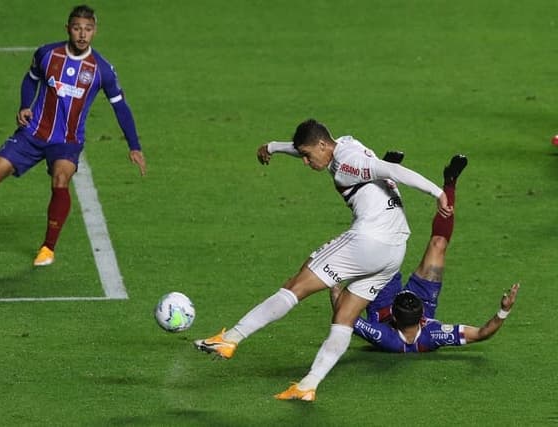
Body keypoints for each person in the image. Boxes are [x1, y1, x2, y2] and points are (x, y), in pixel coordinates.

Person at [193, 119, 451, 402]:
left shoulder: (346, 164)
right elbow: (304, 146)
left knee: (296, 285)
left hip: (368, 241)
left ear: (323, 145)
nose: (305, 162)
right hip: (393, 251)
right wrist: (273, 147)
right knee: (344, 317)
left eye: (307, 155)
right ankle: (308, 385)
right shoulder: (344, 144)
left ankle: (231, 338)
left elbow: (391, 170)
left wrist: (437, 193)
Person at [0, 5, 146, 266]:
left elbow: (120, 105)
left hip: (67, 141)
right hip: (32, 133)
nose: (82, 35)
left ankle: (47, 248)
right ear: (68, 29)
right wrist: (24, 105)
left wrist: (134, 145)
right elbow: (30, 80)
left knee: (60, 180)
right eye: (77, 28)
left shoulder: (101, 69)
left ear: (95, 31)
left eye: (87, 29)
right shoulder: (47, 54)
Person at [351, 155, 520, 352]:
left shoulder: (383, 335)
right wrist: (504, 310)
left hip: (383, 301)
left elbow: (344, 315)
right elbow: (482, 333)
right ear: (423, 316)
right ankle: (450, 181)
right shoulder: (433, 335)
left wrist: (334, 280)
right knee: (439, 244)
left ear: (394, 318)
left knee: (376, 240)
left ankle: (383, 176)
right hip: (419, 301)